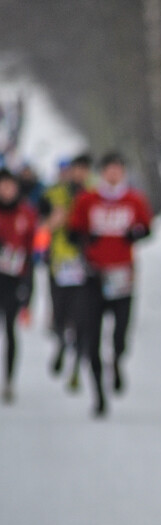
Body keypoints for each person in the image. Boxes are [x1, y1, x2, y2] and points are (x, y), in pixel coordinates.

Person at [69, 151, 153, 416]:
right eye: (109, 170)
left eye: (118, 169)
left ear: (123, 173)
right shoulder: (88, 200)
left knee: (120, 334)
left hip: (122, 277)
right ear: (102, 172)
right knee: (91, 339)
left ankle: (116, 361)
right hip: (93, 276)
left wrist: (134, 233)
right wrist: (86, 238)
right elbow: (72, 232)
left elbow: (147, 228)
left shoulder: (133, 200)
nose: (113, 174)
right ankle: (99, 396)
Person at [43, 153, 93, 389]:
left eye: (85, 169)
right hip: (60, 263)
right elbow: (41, 229)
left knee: (82, 321)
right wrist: (53, 221)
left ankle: (75, 370)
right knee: (61, 317)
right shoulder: (54, 195)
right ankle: (61, 346)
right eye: (76, 169)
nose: (80, 174)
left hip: (86, 265)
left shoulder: (94, 194)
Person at [0, 167, 38, 403]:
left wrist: (29, 287)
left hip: (15, 280)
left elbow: (34, 250)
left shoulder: (27, 212)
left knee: (10, 330)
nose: (6, 190)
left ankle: (9, 380)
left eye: (9, 185)